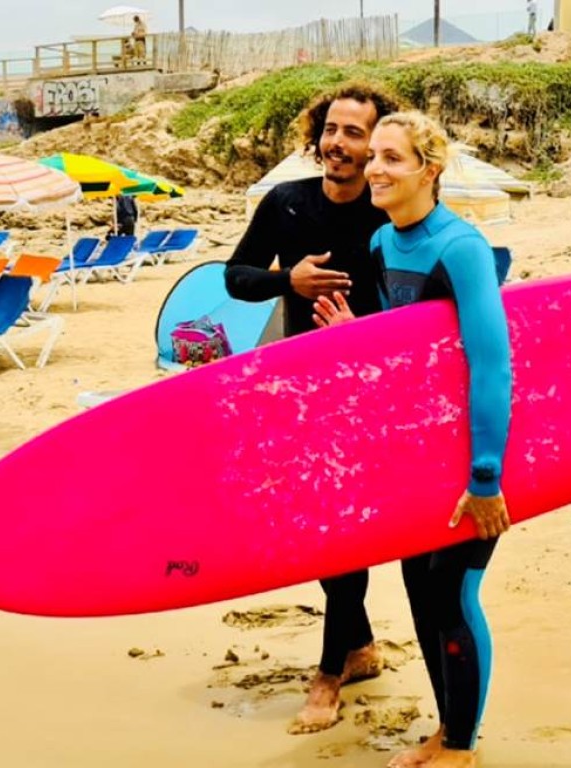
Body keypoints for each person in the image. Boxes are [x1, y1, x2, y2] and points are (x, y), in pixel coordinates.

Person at [313, 111, 513, 768]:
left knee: (454, 596)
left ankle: (462, 752)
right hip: (416, 454)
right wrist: (355, 335)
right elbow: (412, 349)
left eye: (393, 160)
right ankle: (448, 728)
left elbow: (491, 365)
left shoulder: (461, 248)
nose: (375, 169)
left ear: (430, 169)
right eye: (376, 157)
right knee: (422, 595)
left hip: (471, 460)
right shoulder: (380, 240)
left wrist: (486, 477)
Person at [224, 83, 400, 734]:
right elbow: (234, 278)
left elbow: (418, 310)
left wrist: (361, 329)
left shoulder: (390, 216)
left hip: (366, 394)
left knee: (343, 531)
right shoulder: (286, 203)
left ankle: (329, 673)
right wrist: (285, 282)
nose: (339, 144)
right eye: (332, 129)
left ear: (378, 145)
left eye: (356, 133)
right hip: (302, 393)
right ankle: (359, 647)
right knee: (318, 531)